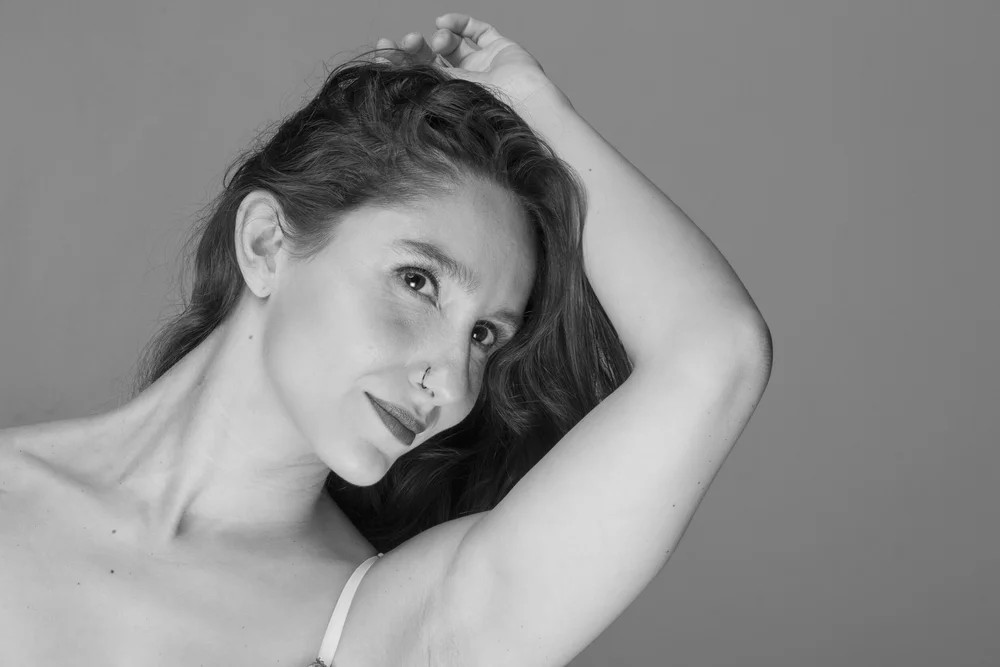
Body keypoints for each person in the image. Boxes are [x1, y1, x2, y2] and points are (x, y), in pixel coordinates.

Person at [0, 13, 772, 667]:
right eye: (418, 281)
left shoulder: (387, 629)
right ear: (266, 244)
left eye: (484, 335)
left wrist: (539, 109)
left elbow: (716, 354)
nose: (453, 380)